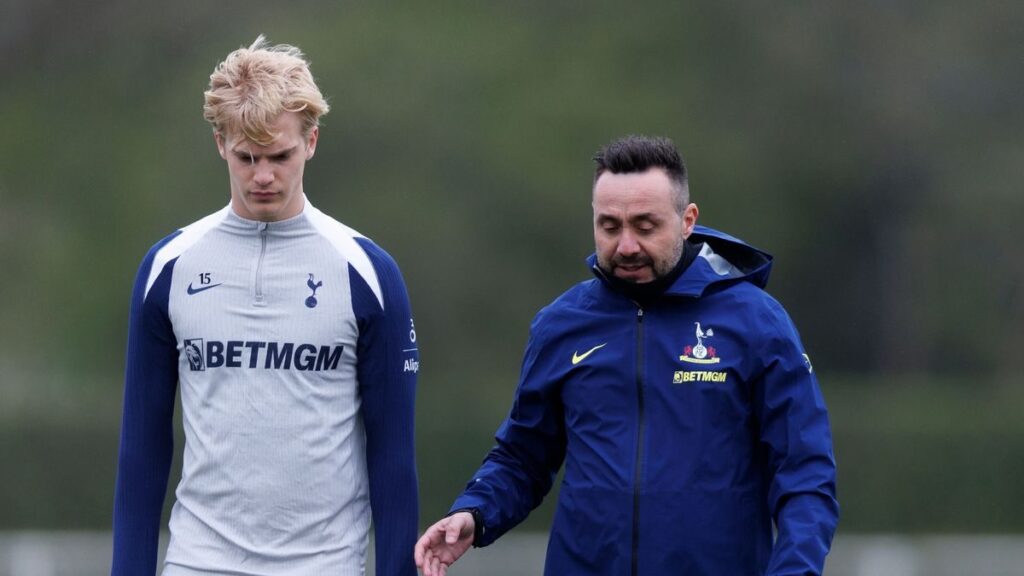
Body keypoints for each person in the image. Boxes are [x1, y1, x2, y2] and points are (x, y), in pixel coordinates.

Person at [415, 135, 838, 575]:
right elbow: (522, 458)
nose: (627, 245)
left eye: (645, 225)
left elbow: (805, 476)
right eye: (610, 226)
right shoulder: (561, 324)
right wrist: (474, 512)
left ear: (687, 220)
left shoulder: (756, 323)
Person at [111, 36, 419, 576]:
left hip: (324, 565)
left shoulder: (368, 273)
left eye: (280, 156)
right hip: (198, 563)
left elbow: (393, 459)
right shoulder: (168, 267)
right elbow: (142, 449)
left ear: (313, 142)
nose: (262, 176)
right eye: (246, 157)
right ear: (219, 144)